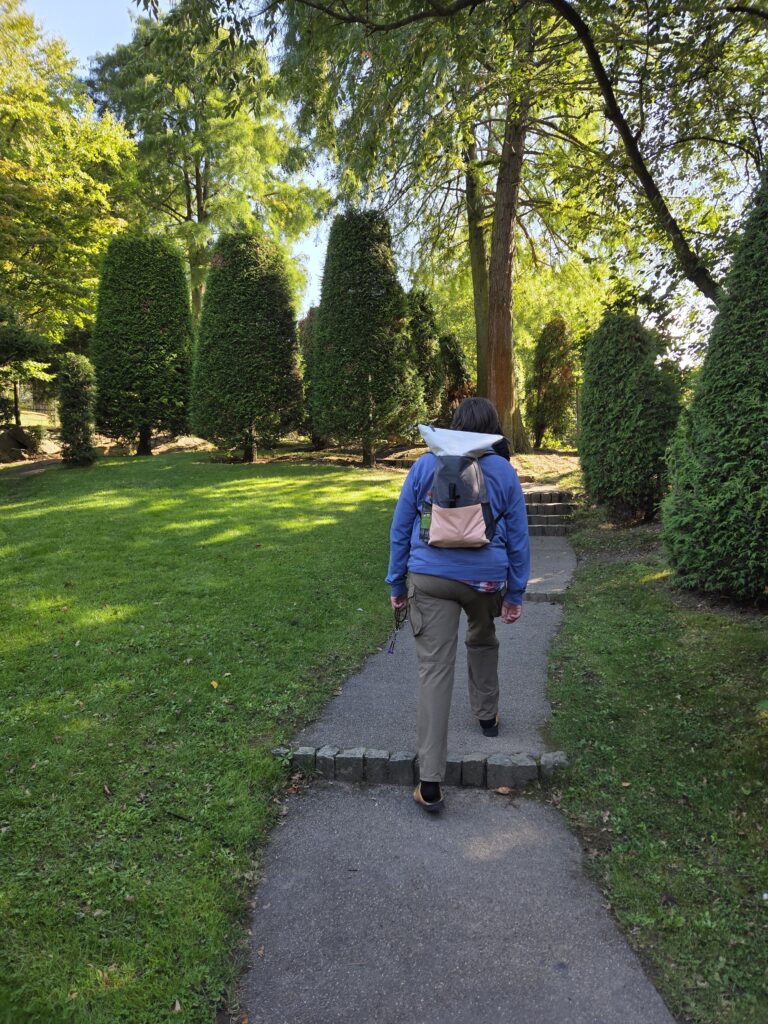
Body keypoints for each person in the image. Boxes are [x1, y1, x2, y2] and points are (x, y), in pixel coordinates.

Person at [385, 398, 531, 812]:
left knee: (434, 670)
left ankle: (429, 782)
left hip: (431, 578)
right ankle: (487, 717)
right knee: (483, 638)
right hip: (485, 580)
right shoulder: (503, 471)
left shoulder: (424, 465)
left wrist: (397, 582)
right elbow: (519, 538)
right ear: (492, 429)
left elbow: (401, 528)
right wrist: (516, 593)